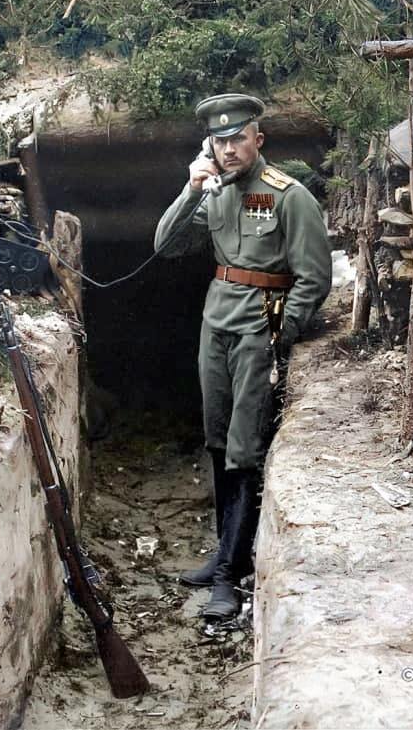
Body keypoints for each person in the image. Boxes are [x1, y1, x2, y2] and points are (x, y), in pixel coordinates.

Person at [153, 94, 331, 623]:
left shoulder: (288, 196)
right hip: (217, 321)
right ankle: (223, 552)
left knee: (244, 447)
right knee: (216, 436)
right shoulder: (215, 192)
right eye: (220, 141)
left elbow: (314, 276)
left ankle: (231, 575)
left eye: (238, 138)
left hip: (260, 324)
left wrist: (282, 329)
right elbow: (165, 245)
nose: (230, 149)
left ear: (260, 138)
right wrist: (190, 188)